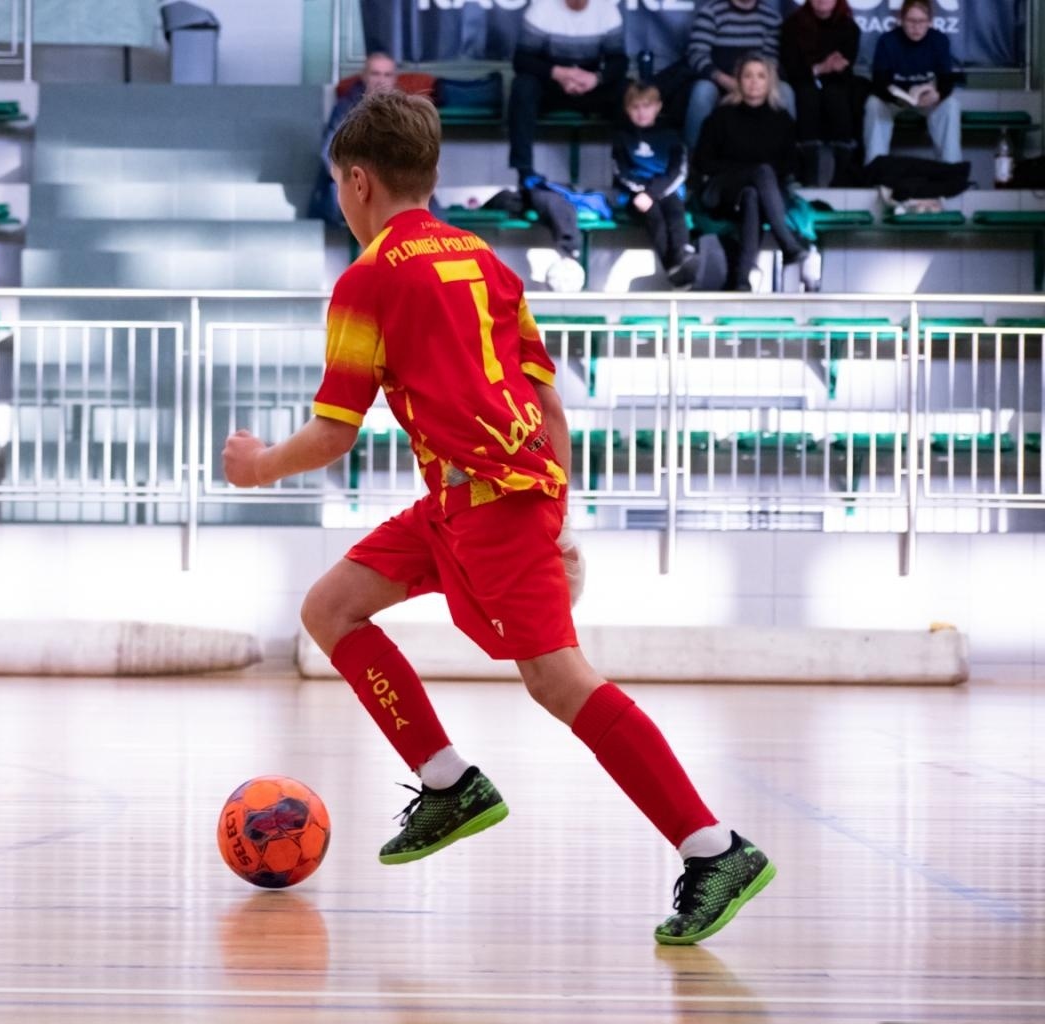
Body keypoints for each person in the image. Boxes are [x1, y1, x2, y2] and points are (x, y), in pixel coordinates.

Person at [222, 89, 775, 945]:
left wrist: (257, 466)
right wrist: (560, 512)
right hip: (477, 497)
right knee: (329, 609)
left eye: (338, 186)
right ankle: (447, 782)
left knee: (560, 680)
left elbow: (335, 432)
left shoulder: (368, 279)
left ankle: (714, 847)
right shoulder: (486, 262)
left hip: (488, 505)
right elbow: (548, 401)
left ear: (358, 182)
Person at [694, 55, 822, 292]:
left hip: (763, 194)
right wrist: (747, 171)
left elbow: (790, 165)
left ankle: (742, 281)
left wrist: (757, 176)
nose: (754, 81)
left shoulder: (781, 119)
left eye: (761, 76)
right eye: (748, 75)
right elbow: (703, 161)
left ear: (769, 82)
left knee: (753, 193)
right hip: (723, 190)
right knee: (760, 173)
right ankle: (790, 247)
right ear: (739, 80)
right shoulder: (721, 117)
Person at [507, 0, 627, 182]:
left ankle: (625, 176)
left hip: (590, 86)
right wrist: (559, 73)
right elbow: (521, 60)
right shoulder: (542, 8)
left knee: (626, 90)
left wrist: (596, 78)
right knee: (523, 86)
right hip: (551, 85)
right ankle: (525, 172)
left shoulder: (607, 9)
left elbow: (619, 61)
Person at [613, 83, 697, 288]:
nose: (641, 112)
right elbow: (621, 173)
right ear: (627, 109)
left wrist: (653, 192)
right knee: (655, 216)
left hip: (666, 190)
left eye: (646, 106)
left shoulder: (671, 136)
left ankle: (682, 254)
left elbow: (678, 171)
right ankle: (674, 268)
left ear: (658, 107)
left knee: (675, 211)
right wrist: (644, 193)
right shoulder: (622, 137)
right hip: (636, 194)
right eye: (635, 107)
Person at [864, 0, 961, 167]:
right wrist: (895, 98)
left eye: (921, 21)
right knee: (873, 104)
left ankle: (951, 172)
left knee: (951, 105)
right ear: (901, 20)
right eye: (911, 21)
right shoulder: (888, 41)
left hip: (926, 100)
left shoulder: (939, 40)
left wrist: (937, 95)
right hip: (896, 100)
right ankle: (876, 170)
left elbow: (947, 79)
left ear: (930, 21)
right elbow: (879, 82)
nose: (916, 27)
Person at [682, 0, 786, 149]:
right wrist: (725, 80)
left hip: (756, 81)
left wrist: (756, 84)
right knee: (702, 91)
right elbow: (696, 54)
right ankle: (693, 158)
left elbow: (771, 60)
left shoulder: (771, 17)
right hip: (718, 81)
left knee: (785, 91)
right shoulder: (711, 12)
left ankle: (784, 160)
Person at [311, 52, 399, 229]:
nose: (381, 80)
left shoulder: (403, 109)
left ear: (394, 79)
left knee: (429, 214)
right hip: (354, 185)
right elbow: (328, 153)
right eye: (375, 74)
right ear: (364, 76)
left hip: (393, 185)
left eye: (387, 75)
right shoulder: (346, 107)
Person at [781, 0, 863, 186]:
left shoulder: (849, 28)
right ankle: (807, 167)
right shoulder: (792, 25)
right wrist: (819, 68)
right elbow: (791, 69)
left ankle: (843, 170)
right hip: (802, 83)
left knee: (837, 96)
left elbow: (845, 67)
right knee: (807, 95)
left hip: (836, 84)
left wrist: (830, 68)